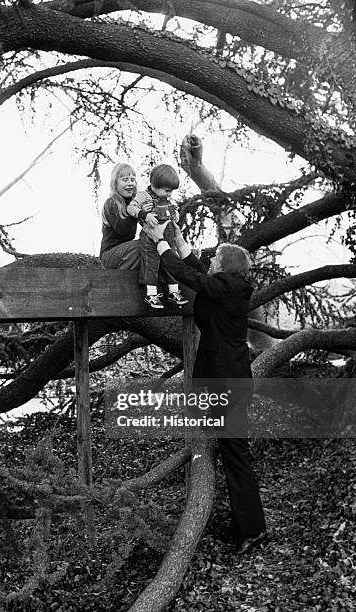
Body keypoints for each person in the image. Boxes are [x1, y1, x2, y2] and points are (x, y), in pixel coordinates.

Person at [142, 220, 268, 556]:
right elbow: (199, 270)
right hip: (230, 381)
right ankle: (247, 524)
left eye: (215, 259)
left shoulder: (223, 289)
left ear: (225, 268)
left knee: (237, 455)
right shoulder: (228, 287)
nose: (209, 260)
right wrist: (180, 242)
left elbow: (190, 277)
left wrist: (159, 243)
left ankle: (254, 529)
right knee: (233, 451)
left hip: (226, 384)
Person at [128, 164, 188, 309]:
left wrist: (176, 214)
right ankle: (151, 294)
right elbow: (131, 208)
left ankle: (174, 292)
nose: (169, 194)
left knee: (171, 262)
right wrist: (145, 214)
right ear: (155, 184)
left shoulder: (166, 198)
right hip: (150, 237)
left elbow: (170, 212)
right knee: (151, 264)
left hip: (167, 237)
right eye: (167, 190)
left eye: (171, 191)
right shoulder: (144, 195)